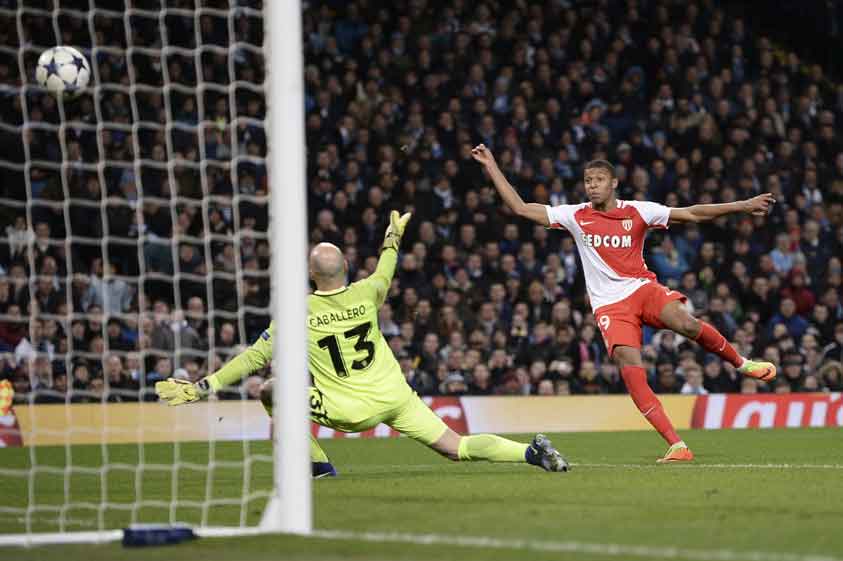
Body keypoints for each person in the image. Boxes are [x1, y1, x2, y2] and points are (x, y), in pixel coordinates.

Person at [156, 211, 569, 476]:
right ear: (348, 268)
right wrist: (392, 237)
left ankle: (317, 467)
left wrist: (203, 386)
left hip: (348, 409)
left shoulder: (299, 313)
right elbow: (386, 267)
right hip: (396, 397)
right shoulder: (369, 292)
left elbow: (252, 358)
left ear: (310, 275)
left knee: (271, 391)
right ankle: (529, 454)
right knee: (454, 446)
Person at [471, 144, 777, 463]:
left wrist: (742, 205)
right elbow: (520, 208)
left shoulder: (638, 211)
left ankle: (743, 364)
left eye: (599, 179)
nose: (592, 185)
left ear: (614, 183)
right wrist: (491, 166)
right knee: (631, 368)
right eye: (588, 180)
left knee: (686, 322)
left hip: (642, 288)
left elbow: (693, 212)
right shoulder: (575, 215)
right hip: (610, 307)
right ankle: (677, 445)